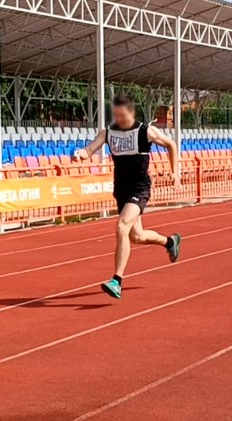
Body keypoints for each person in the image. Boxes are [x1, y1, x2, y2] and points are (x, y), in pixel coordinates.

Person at [74, 95, 182, 299]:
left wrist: (175, 172)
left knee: (121, 227)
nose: (119, 119)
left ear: (131, 113)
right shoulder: (108, 132)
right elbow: (89, 150)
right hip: (121, 189)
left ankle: (116, 280)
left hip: (139, 188)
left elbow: (171, 145)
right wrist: (81, 153)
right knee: (136, 236)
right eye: (116, 115)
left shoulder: (145, 131)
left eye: (122, 115)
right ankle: (170, 242)